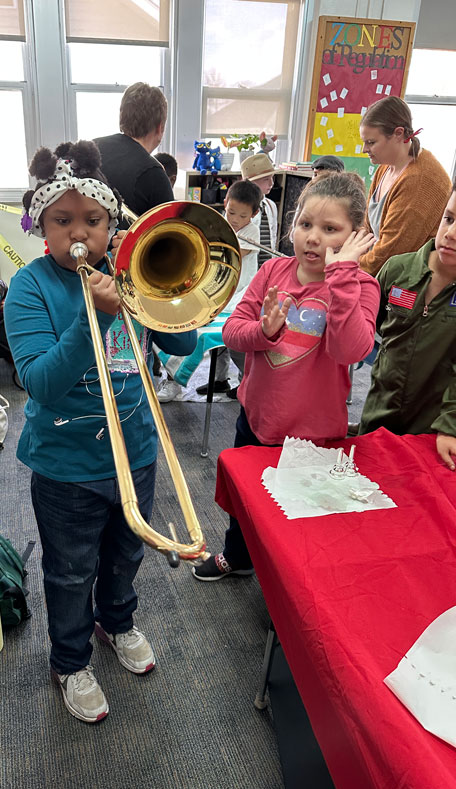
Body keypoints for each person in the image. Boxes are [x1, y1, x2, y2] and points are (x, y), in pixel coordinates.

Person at [4, 140, 197, 723]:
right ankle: (70, 660)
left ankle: (117, 623)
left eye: (92, 219)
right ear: (42, 225)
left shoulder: (128, 271)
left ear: (113, 222)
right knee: (68, 571)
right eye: (62, 221)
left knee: (125, 555)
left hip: (135, 450)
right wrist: (101, 318)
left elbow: (183, 344)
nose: (78, 232)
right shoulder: (30, 287)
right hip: (65, 466)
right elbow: (40, 382)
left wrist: (165, 293)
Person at [192, 173, 381, 580]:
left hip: (314, 435)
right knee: (244, 503)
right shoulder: (273, 271)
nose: (313, 238)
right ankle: (238, 556)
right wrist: (265, 332)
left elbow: (352, 350)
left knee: (300, 516)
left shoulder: (361, 286)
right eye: (305, 225)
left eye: (330, 229)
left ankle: (290, 583)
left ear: (355, 236)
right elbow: (232, 332)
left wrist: (343, 276)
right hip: (257, 420)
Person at [359, 178, 456, 469]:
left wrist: (450, 424)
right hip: (377, 414)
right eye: (449, 219)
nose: (450, 234)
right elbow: (363, 332)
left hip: (432, 429)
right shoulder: (397, 269)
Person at [156, 179, 263, 403]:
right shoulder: (220, 221)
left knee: (229, 341)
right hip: (212, 289)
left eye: (242, 216)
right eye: (231, 212)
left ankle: (247, 382)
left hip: (239, 293)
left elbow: (230, 253)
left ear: (253, 214)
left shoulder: (251, 231)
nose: (235, 219)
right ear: (225, 202)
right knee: (186, 329)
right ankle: (217, 379)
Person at [359, 96, 451, 276]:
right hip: (379, 270)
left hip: (405, 280)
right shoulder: (386, 166)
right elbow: (366, 229)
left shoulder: (419, 180)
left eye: (371, 142)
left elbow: (389, 256)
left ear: (398, 134)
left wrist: (344, 269)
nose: (364, 149)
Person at [95, 82, 174, 217]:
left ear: (121, 118)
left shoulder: (88, 150)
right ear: (160, 127)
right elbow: (169, 233)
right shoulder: (154, 175)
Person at [240, 152, 279, 270]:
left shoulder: (271, 206)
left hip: (267, 267)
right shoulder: (240, 208)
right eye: (266, 179)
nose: (271, 183)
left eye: (272, 178)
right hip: (248, 268)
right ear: (251, 182)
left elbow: (273, 236)